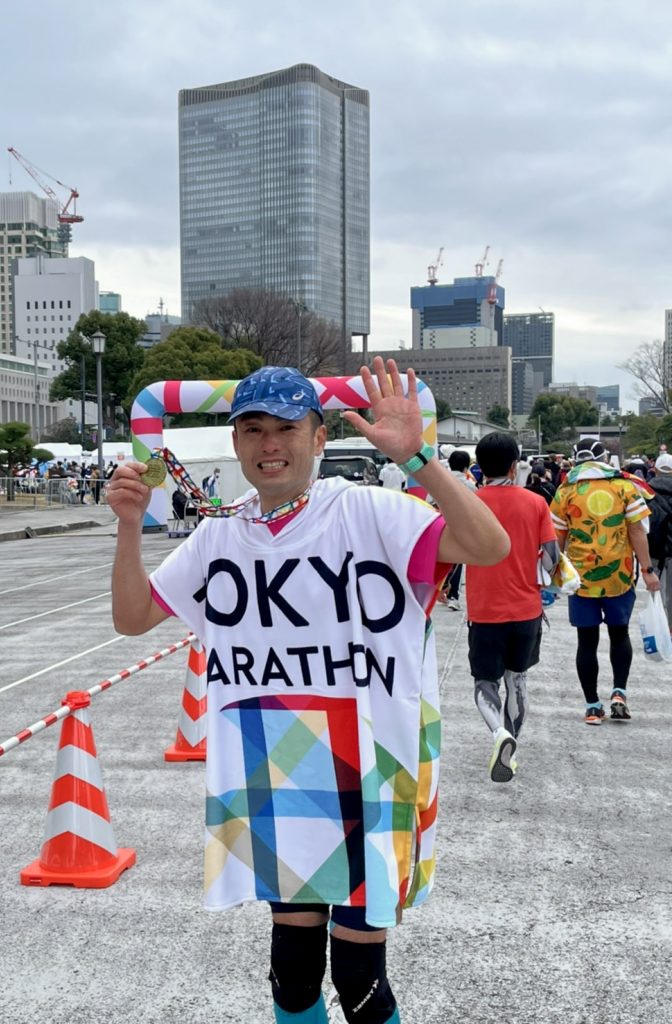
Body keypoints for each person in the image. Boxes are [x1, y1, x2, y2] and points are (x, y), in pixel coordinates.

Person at [107, 358, 509, 1024]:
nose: (270, 445)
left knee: (359, 978)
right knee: (292, 975)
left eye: (287, 428)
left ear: (319, 438)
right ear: (236, 443)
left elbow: (488, 547)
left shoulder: (374, 513)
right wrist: (127, 528)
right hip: (274, 763)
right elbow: (132, 617)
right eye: (253, 429)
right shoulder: (220, 535)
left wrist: (421, 461)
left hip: (373, 769)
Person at [464, 433, 558, 781]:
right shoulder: (535, 503)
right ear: (514, 464)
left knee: (484, 682)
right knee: (516, 680)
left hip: (484, 610)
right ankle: (512, 739)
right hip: (526, 610)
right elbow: (551, 559)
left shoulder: (470, 502)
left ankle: (497, 734)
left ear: (480, 465)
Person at [550, 438, 660, 725]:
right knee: (619, 634)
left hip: (581, 579)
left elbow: (557, 538)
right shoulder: (624, 486)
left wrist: (551, 575)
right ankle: (619, 693)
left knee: (586, 641)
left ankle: (592, 706)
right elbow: (637, 530)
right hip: (620, 576)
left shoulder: (566, 491)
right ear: (604, 458)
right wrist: (647, 571)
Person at [440, 450, 476, 610]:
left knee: (443, 559)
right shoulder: (469, 485)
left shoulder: (439, 481)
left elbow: (430, 502)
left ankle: (440, 588)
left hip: (440, 526)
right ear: (466, 467)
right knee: (457, 561)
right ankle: (453, 595)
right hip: (461, 527)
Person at [647, 452, 672, 629]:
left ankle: (660, 630)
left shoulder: (646, 491)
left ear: (655, 469)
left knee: (657, 595)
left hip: (653, 552)